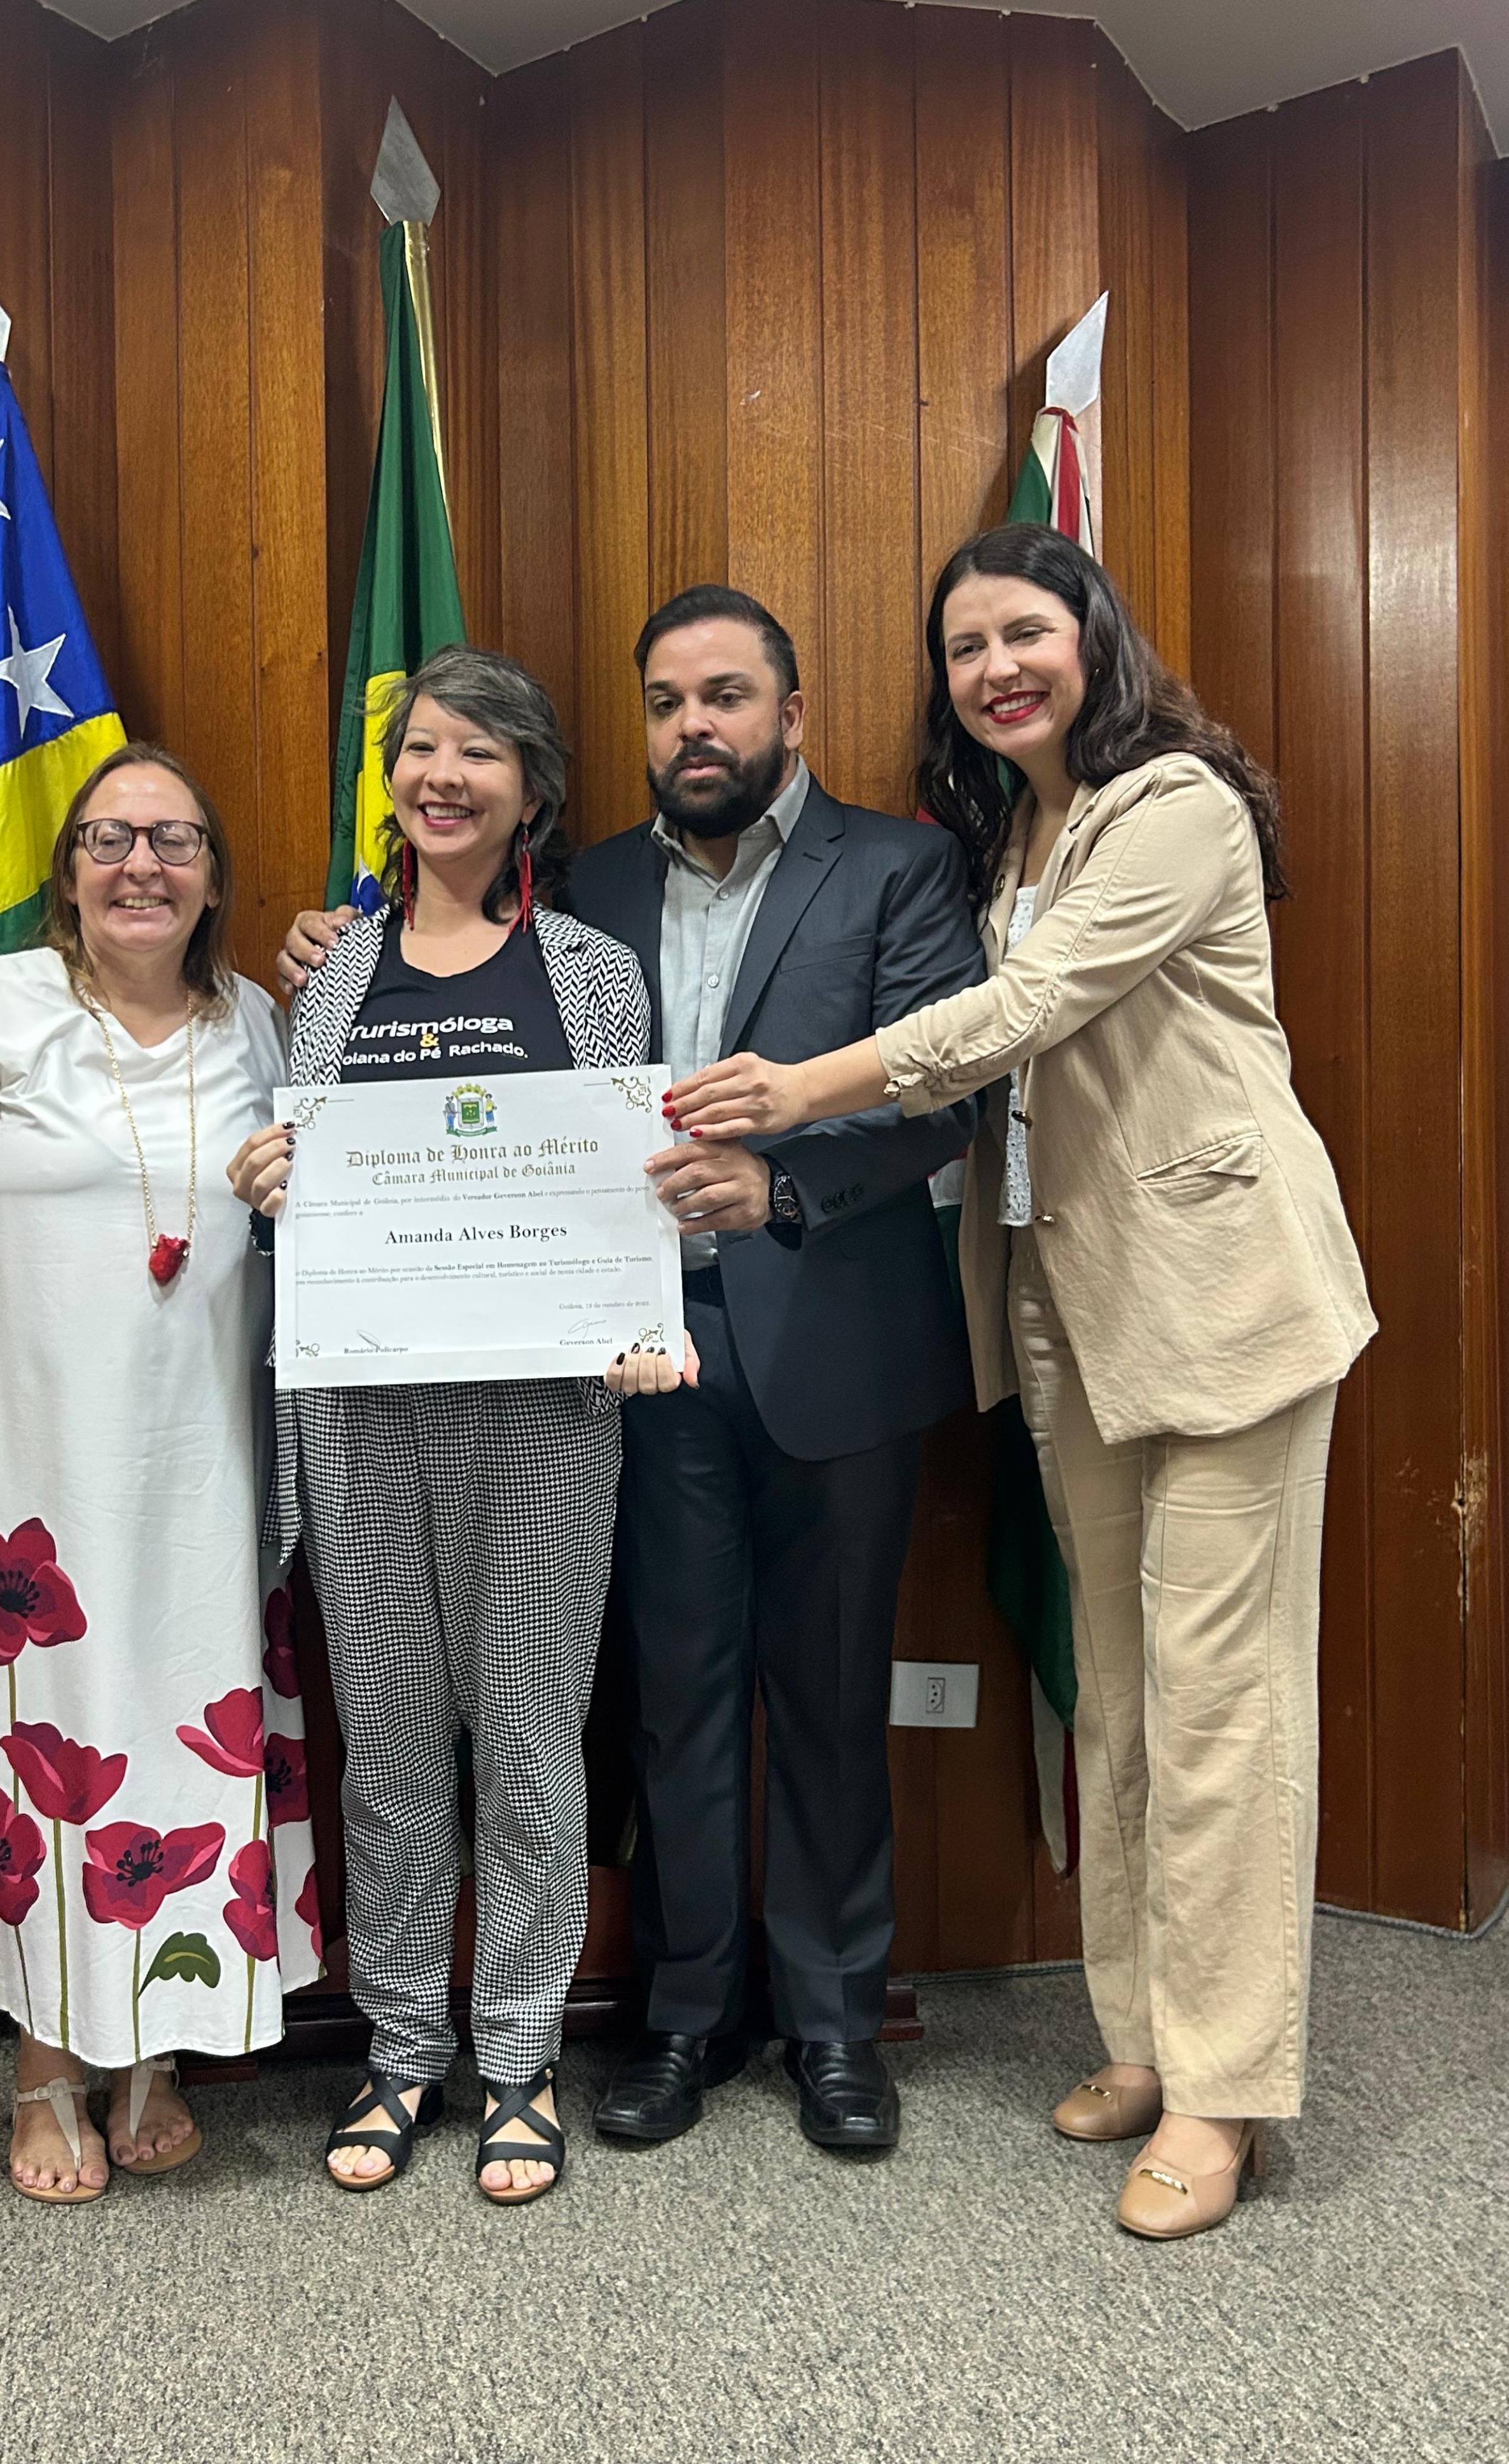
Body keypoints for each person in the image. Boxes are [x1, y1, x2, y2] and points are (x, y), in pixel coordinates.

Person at [667, 525, 1375, 2239]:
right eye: (967, 646)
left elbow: (1029, 1011)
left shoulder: (1178, 804)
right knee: (1122, 1697)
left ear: (1092, 639)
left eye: (1025, 633)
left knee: (1222, 1709)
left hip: (1225, 1301)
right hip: (1069, 1306)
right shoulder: (1015, 839)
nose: (997, 668)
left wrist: (796, 1089)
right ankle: (1145, 2038)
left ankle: (1223, 2093)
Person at [279, 587, 985, 2157]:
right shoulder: (588, 890)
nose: (695, 727)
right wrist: (326, 949)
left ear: (790, 712)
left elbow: (946, 1089)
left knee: (829, 1698)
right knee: (673, 1702)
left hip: (832, 1339)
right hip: (629, 1360)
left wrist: (784, 1182)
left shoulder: (901, 866)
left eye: (726, 696)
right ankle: (682, 2017)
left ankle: (832, 2022)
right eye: (667, 703)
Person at [233, 645, 656, 2206]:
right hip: (361, 1411)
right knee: (394, 1746)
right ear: (394, 778)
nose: (444, 774)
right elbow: (309, 1188)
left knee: (532, 1744)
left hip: (544, 1420)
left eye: (480, 751)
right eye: (421, 747)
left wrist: (636, 1313)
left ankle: (520, 2054)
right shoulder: (333, 971)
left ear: (532, 789)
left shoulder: (595, 971)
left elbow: (624, 1189)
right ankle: (404, 2044)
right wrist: (272, 1183)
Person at [0, 742, 319, 2206]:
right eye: (110, 839)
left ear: (214, 877)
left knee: (183, 1733)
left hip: (206, 1465)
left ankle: (157, 2050)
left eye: (175, 840)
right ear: (68, 873)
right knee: (48, 1743)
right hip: (34, 1481)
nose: (143, 864)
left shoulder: (260, 1023)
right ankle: (46, 2062)